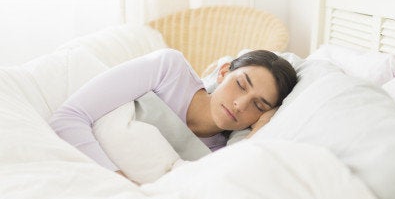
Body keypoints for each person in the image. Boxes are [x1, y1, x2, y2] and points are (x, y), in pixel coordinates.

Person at [49, 48, 298, 178]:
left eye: (259, 106)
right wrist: (118, 181)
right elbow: (69, 117)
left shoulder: (218, 154)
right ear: (223, 72)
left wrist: (259, 132)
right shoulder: (170, 71)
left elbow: (217, 185)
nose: (240, 105)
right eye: (241, 85)